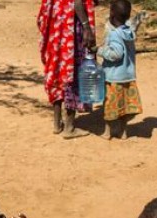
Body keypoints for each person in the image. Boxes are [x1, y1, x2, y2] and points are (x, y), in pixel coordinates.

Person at [37, 0, 97, 139]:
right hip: (71, 29)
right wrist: (86, 27)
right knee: (73, 73)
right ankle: (69, 127)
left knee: (58, 71)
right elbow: (77, 2)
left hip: (56, 27)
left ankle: (57, 124)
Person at [97, 0, 142, 140]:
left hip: (114, 77)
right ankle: (123, 131)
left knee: (110, 106)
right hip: (127, 76)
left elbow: (116, 54)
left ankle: (107, 132)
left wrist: (100, 50)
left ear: (111, 14)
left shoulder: (115, 34)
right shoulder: (128, 31)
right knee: (124, 106)